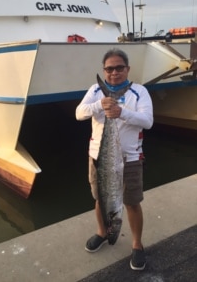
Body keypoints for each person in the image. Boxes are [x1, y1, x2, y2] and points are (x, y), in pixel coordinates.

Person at [75, 48, 153, 270]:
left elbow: (147, 121)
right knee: (100, 198)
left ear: (127, 69)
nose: (114, 72)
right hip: (99, 158)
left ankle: (137, 244)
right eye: (110, 69)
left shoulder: (139, 91)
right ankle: (102, 232)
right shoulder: (95, 90)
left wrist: (122, 112)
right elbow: (79, 113)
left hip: (130, 158)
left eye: (119, 67)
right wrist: (100, 104)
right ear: (104, 71)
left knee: (132, 202)